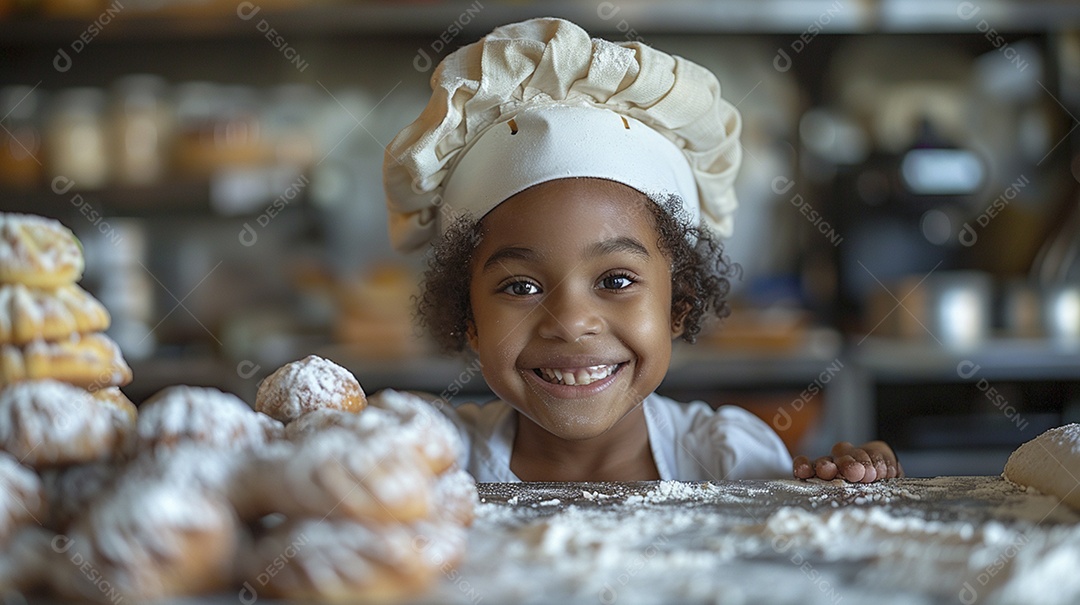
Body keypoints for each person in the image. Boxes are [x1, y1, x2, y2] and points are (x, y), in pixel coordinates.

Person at [383, 17, 902, 483]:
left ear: (679, 303)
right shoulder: (432, 460)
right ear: (469, 316)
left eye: (616, 280)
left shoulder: (728, 462)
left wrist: (851, 484)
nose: (570, 322)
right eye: (522, 286)